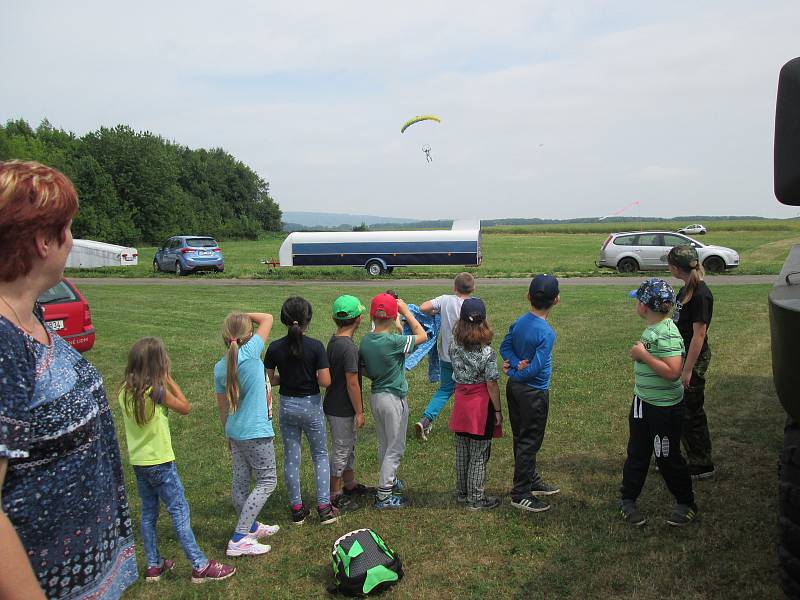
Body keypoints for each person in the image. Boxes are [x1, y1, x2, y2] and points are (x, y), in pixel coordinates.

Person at [0, 160, 137, 599]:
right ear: (44, 241)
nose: (71, 241)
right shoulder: (4, 343)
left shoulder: (30, 317)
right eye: (68, 229)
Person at [121, 337, 236, 582]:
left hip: (139, 463)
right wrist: (169, 380)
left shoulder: (125, 390)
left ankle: (153, 564)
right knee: (179, 511)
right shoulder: (155, 392)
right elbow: (185, 407)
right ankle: (200, 565)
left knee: (149, 513)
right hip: (161, 462)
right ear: (158, 365)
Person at [620, 278, 697, 527]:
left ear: (644, 306)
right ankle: (627, 499)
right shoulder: (656, 329)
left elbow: (673, 371)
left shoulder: (666, 332)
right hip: (643, 403)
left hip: (662, 410)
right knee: (637, 453)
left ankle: (686, 503)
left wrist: (642, 355)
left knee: (666, 456)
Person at [264, 297, 338, 524]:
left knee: (291, 458)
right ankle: (324, 507)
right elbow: (326, 381)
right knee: (320, 455)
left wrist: (285, 377)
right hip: (311, 406)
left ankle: (297, 508)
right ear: (308, 320)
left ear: (284, 320)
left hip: (287, 406)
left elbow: (268, 379)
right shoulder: (316, 346)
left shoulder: (275, 347)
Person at [214, 311, 280, 556]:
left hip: (236, 431)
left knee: (240, 482)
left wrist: (227, 435)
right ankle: (240, 537)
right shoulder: (251, 353)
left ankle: (250, 527)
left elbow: (223, 408)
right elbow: (268, 318)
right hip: (256, 431)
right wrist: (245, 314)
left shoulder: (220, 367)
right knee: (267, 481)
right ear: (249, 335)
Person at [359, 293, 427, 509]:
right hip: (393, 398)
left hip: (377, 396)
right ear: (392, 316)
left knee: (384, 443)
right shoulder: (393, 341)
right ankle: (384, 495)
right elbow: (422, 335)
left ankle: (389, 480)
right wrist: (406, 312)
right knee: (395, 448)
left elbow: (363, 368)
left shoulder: (366, 340)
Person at [500, 274, 560, 513]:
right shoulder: (547, 333)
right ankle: (521, 492)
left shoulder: (519, 321)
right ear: (556, 300)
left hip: (515, 391)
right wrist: (516, 371)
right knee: (529, 440)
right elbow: (535, 367)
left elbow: (505, 347)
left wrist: (513, 365)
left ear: (528, 296)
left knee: (521, 437)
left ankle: (530, 478)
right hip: (533, 393)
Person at [448, 298, 502, 510]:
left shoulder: (453, 345)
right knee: (479, 454)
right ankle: (476, 498)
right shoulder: (487, 353)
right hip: (480, 405)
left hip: (461, 400)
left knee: (462, 450)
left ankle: (462, 492)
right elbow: (492, 383)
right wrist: (497, 410)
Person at [668, 244, 715, 480]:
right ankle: (674, 458)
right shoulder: (685, 289)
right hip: (680, 355)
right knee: (677, 408)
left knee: (691, 411)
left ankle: (701, 463)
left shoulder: (701, 295)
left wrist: (688, 371)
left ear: (676, 267)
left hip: (692, 359)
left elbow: (699, 335)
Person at [325, 295, 375, 511]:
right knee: (341, 449)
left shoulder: (335, 341)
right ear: (358, 319)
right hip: (342, 409)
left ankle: (350, 484)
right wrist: (360, 411)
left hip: (334, 406)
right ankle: (334, 494)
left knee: (348, 446)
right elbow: (352, 383)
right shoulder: (348, 348)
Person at [414, 272, 476, 441]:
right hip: (468, 357)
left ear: (454, 288)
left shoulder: (445, 299)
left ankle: (425, 420)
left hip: (447, 356)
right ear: (473, 288)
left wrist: (435, 313)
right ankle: (468, 425)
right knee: (468, 390)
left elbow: (423, 307)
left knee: (445, 390)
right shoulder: (474, 305)